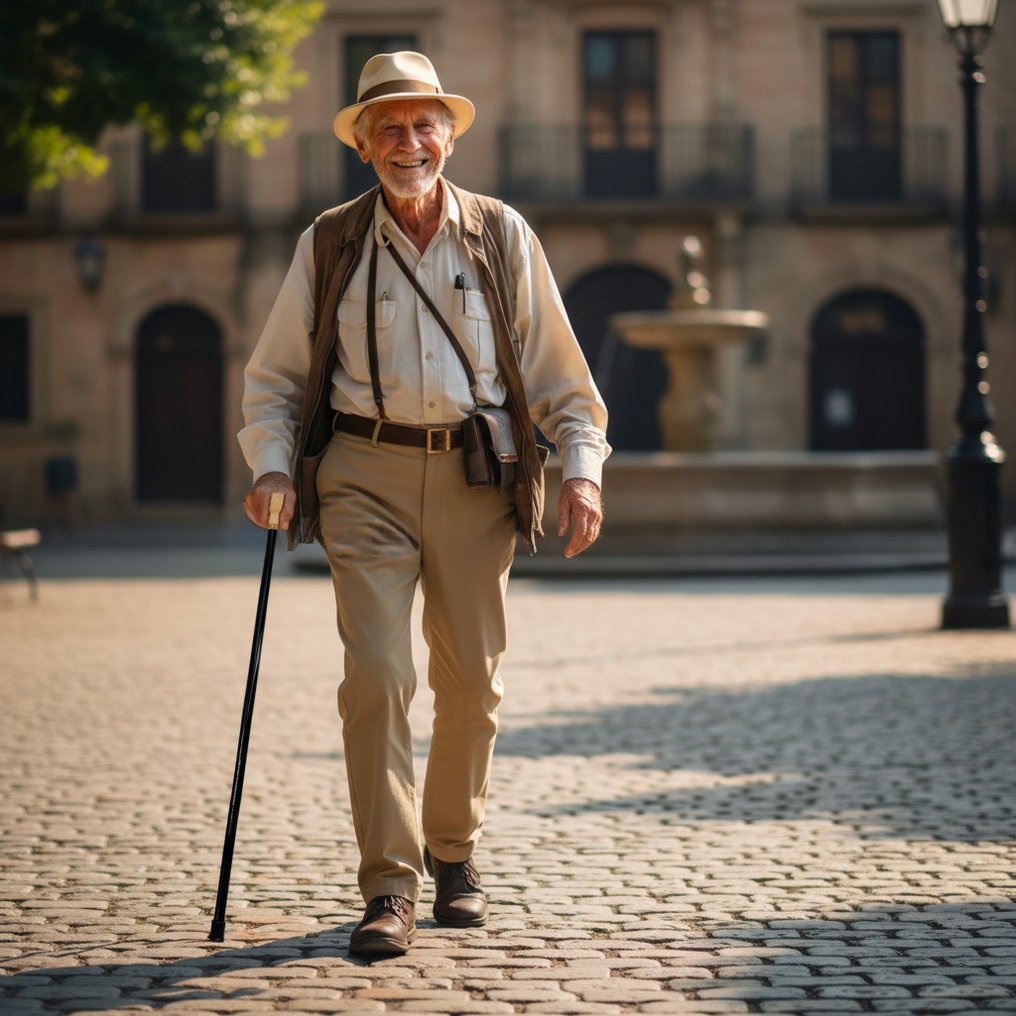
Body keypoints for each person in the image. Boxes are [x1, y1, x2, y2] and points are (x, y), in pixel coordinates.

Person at [238, 51, 609, 957]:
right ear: (365, 146)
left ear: (448, 134)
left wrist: (583, 469)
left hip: (477, 480)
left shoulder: (500, 233)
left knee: (472, 686)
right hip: (362, 472)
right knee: (376, 675)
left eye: (424, 124)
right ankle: (389, 885)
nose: (410, 142)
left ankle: (455, 856)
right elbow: (277, 378)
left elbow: (563, 375)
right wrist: (274, 467)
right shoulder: (329, 241)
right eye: (390, 128)